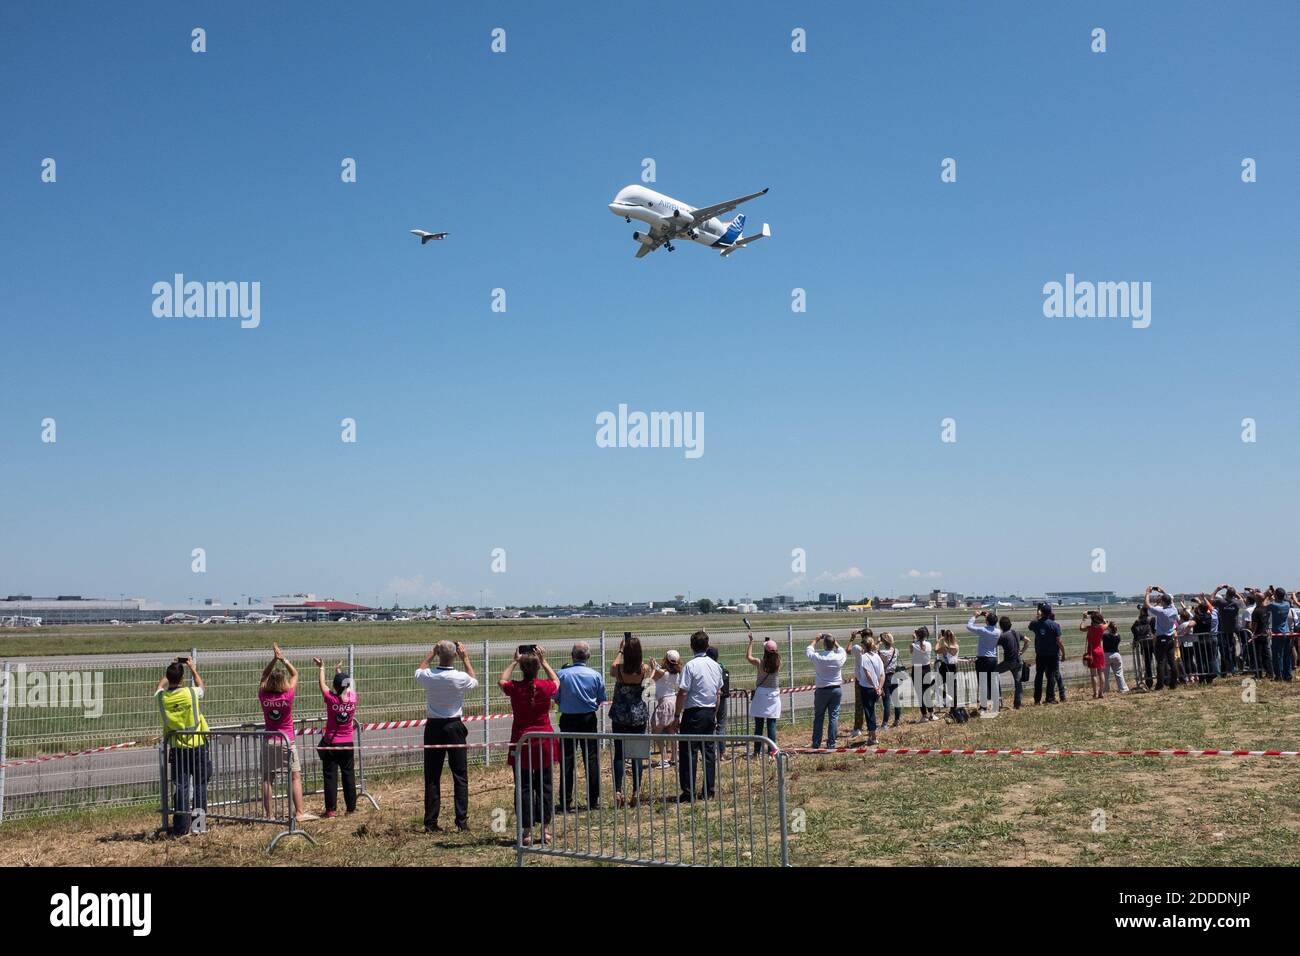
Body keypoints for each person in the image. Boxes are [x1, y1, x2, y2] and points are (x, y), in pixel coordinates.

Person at [415, 640, 478, 832]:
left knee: (432, 775)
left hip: (434, 726)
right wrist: (465, 658)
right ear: (455, 656)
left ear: (439, 654)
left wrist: (431, 653)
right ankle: (461, 821)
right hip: (454, 726)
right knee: (460, 774)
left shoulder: (429, 675)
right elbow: (474, 681)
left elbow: (419, 670)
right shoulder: (459, 677)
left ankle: (431, 822)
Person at [500, 647, 561, 845]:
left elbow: (501, 681)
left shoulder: (516, 688)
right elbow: (556, 682)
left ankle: (526, 831)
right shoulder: (545, 686)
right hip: (543, 740)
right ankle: (545, 829)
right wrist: (544, 662)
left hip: (522, 741)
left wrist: (514, 661)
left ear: (522, 670)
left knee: (524, 786)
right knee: (545, 785)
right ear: (536, 669)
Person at [258, 644, 315, 822]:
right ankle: (299, 812)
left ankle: (269, 815)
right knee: (295, 776)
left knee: (268, 779)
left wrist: (274, 659)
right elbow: (295, 674)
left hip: (269, 740)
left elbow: (264, 676)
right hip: (286, 741)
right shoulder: (287, 696)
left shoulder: (264, 696)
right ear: (283, 683)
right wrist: (283, 659)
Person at [155, 656, 211, 836]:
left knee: (181, 787)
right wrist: (192, 668)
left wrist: (171, 667)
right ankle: (199, 826)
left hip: (177, 748)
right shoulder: (190, 693)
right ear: (182, 678)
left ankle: (180, 828)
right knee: (200, 786)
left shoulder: (162, 698)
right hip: (197, 744)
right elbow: (201, 687)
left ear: (168, 678)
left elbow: (158, 688)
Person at [672, 630, 724, 802]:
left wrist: (677, 715)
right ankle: (708, 790)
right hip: (709, 711)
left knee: (688, 752)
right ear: (707, 646)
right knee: (708, 752)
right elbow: (718, 692)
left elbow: (683, 692)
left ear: (692, 646)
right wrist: (714, 713)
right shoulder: (716, 666)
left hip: (693, 712)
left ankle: (689, 792)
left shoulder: (690, 666)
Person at [555, 641, 606, 813]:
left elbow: (556, 697)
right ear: (588, 656)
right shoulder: (595, 675)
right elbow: (601, 698)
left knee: (567, 760)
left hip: (568, 719)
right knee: (591, 758)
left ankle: (565, 800)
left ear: (572, 656)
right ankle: (593, 800)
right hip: (588, 718)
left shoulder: (561, 674)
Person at [608, 634, 659, 805]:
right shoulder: (643, 669)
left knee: (619, 755)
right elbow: (649, 688)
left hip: (620, 716)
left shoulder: (619, 670)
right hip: (637, 716)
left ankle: (618, 790)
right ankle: (636, 791)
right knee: (638, 755)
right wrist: (653, 670)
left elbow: (612, 667)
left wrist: (620, 651)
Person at [314, 657, 357, 818]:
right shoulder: (353, 698)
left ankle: (331, 810)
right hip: (347, 743)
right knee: (348, 775)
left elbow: (322, 685)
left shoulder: (331, 699)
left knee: (330, 776)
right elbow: (346, 687)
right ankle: (351, 808)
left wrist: (321, 667)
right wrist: (339, 670)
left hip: (332, 743)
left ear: (334, 686)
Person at [806, 633, 846, 747]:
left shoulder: (819, 657)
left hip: (822, 690)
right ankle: (831, 743)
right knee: (833, 717)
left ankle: (816, 742)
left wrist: (816, 639)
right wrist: (834, 640)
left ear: (824, 644)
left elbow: (808, 651)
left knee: (819, 717)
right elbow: (841, 650)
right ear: (833, 645)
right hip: (836, 690)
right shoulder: (839, 657)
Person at [745, 634, 782, 754]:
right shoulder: (778, 663)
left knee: (759, 725)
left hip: (761, 694)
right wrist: (770, 644)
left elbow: (748, 657)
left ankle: (756, 751)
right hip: (773, 695)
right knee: (771, 724)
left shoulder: (760, 662)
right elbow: (773, 653)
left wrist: (751, 642)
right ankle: (772, 751)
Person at [1029, 603, 1065, 705]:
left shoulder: (1036, 624)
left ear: (1041, 612)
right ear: (1050, 613)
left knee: (1039, 676)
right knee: (1051, 677)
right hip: (1052, 654)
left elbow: (1030, 626)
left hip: (1040, 654)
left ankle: (1037, 699)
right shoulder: (1055, 625)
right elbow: (1059, 641)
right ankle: (1050, 698)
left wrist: (1037, 616)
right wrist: (1063, 653)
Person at [651, 649, 682, 768]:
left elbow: (651, 679)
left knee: (656, 731)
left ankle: (664, 758)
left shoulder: (662, 673)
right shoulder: (676, 673)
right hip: (673, 701)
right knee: (672, 730)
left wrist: (653, 668)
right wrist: (656, 667)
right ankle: (675, 757)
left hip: (664, 702)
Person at [1144, 586, 1180, 690]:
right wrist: (1163, 591)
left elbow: (1147, 605)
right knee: (1172, 662)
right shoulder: (1174, 610)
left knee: (1160, 662)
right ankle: (1173, 683)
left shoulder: (1162, 611)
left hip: (1161, 638)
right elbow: (1170, 601)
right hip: (1170, 639)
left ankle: (1160, 685)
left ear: (1163, 601)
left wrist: (1147, 593)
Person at [966, 612, 1002, 712]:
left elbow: (969, 626)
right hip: (993, 659)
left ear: (986, 621)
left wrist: (975, 616)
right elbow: (992, 623)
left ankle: (983, 706)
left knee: (983, 683)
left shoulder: (983, 630)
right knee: (992, 683)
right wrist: (988, 616)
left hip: (983, 659)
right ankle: (995, 704)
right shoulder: (998, 632)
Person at [857, 635, 885, 746]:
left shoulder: (863, 657)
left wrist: (874, 686)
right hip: (876, 688)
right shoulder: (877, 657)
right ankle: (871, 734)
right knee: (871, 710)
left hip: (867, 688)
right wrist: (879, 687)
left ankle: (873, 737)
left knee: (869, 712)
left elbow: (867, 674)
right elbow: (882, 674)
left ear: (864, 646)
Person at [705, 646, 731, 761]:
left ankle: (712, 752)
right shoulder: (721, 666)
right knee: (721, 724)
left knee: (710, 726)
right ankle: (722, 752)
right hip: (722, 698)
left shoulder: (706, 667)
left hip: (709, 699)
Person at [996, 616, 1027, 710]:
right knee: (1018, 683)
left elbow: (993, 645)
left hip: (1009, 662)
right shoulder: (1016, 633)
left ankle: (997, 699)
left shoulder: (1003, 636)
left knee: (993, 672)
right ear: (1010, 624)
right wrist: (1022, 651)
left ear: (1001, 626)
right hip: (1018, 661)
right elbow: (1028, 640)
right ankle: (1017, 704)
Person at [847, 628, 873, 739]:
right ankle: (871, 726)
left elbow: (847, 651)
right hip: (871, 679)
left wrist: (852, 638)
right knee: (869, 704)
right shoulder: (874, 648)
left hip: (860, 679)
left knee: (859, 704)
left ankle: (858, 728)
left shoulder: (858, 648)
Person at [1079, 611, 1107, 699]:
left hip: (1091, 651)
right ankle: (1101, 692)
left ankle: (1095, 693)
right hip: (1100, 651)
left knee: (1094, 674)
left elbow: (1081, 628)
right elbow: (1106, 622)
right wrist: (1098, 615)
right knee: (1101, 673)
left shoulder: (1089, 628)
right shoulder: (1102, 628)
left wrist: (1084, 618)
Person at [910, 626, 936, 721]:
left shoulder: (913, 645)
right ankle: (931, 714)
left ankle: (924, 715)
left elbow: (912, 652)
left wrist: (914, 640)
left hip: (916, 669)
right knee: (927, 693)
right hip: (926, 669)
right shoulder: (929, 644)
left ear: (917, 635)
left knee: (920, 694)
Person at [1267, 586, 1293, 681]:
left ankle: (1279, 675)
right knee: (1287, 655)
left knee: (1277, 656)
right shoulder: (1287, 604)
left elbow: (1265, 606)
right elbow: (1282, 600)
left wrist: (1269, 595)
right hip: (1286, 631)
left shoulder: (1273, 605)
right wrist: (1275, 595)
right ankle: (1288, 675)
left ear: (1276, 595)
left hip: (1277, 633)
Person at [1130, 605, 1156, 689]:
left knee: (1147, 664)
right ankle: (1163, 679)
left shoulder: (1137, 622)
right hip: (1154, 643)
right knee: (1160, 661)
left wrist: (1136, 639)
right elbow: (1156, 630)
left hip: (1144, 645)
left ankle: (1149, 682)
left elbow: (1133, 629)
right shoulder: (1152, 619)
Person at [879, 633, 902, 728]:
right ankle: (897, 720)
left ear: (883, 641)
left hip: (886, 676)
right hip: (895, 675)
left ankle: (885, 723)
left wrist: (877, 643)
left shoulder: (882, 652)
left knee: (887, 700)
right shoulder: (896, 650)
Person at [934, 629, 960, 710]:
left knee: (934, 685)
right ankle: (954, 709)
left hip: (945, 667)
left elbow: (936, 650)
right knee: (953, 688)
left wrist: (939, 641)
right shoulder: (956, 646)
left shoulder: (944, 648)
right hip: (953, 668)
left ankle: (946, 697)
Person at [1100, 622, 1129, 694]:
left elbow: (1100, 634)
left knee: (1105, 674)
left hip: (1106, 655)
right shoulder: (1118, 636)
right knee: (1119, 673)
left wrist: (1105, 626)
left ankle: (1105, 689)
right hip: (1116, 655)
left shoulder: (1105, 636)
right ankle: (1123, 689)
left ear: (1109, 628)